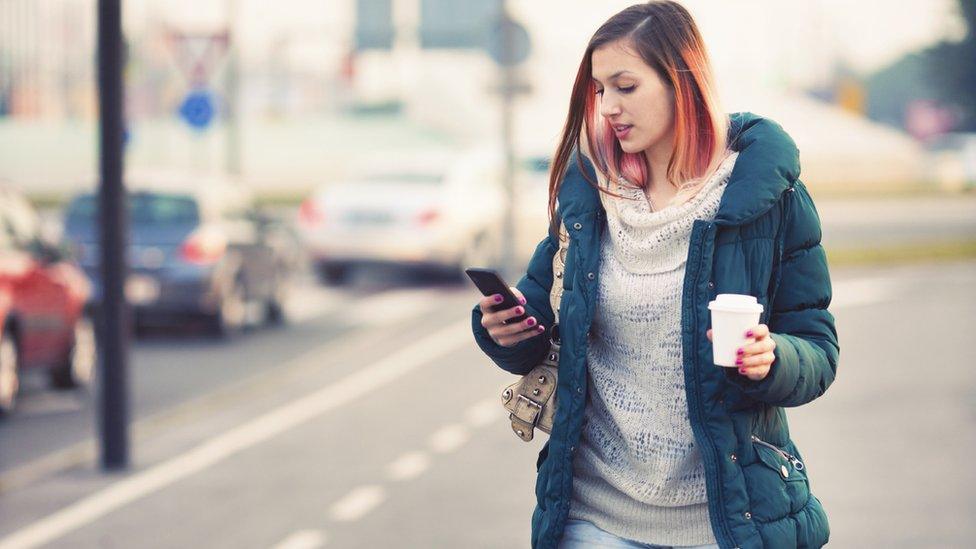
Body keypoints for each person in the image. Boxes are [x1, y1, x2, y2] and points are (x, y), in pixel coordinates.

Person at [470, 2, 839, 548]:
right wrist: (502, 331)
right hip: (594, 519)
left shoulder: (767, 197)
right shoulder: (589, 196)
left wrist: (772, 359)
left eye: (625, 86)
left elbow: (817, 348)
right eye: (599, 90)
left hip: (726, 523)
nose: (608, 108)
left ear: (681, 82)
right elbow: (538, 313)